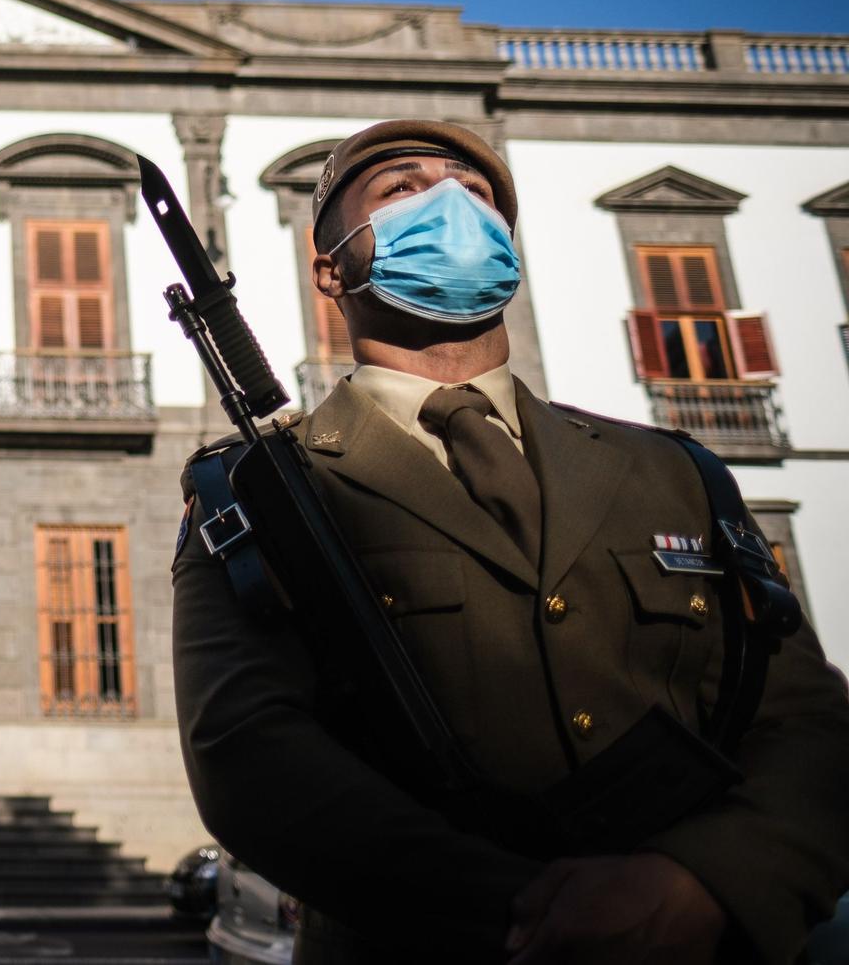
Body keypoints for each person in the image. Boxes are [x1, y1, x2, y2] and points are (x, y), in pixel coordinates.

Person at [171, 119, 849, 965]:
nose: (453, 204)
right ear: (330, 264)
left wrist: (704, 883)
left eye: (479, 193)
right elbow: (249, 758)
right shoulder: (258, 490)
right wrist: (534, 913)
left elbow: (805, 720)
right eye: (404, 188)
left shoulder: (674, 472)